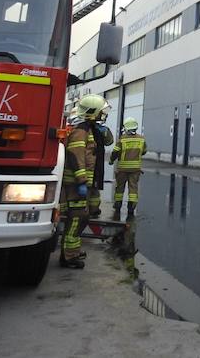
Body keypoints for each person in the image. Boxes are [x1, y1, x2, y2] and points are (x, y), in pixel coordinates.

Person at [59, 94, 109, 269]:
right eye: (101, 112)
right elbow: (75, 155)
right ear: (92, 113)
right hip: (75, 183)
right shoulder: (80, 131)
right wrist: (81, 180)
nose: (103, 114)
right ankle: (69, 257)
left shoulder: (88, 129)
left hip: (80, 183)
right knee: (76, 218)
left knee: (82, 217)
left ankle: (72, 251)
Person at [109, 117, 147, 220]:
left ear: (126, 128)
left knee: (120, 187)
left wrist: (111, 160)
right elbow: (144, 151)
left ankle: (118, 206)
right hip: (135, 169)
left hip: (122, 168)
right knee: (133, 187)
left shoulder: (122, 139)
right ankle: (131, 208)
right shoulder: (141, 139)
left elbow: (115, 152)